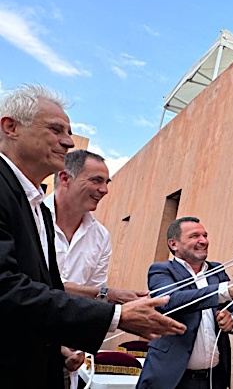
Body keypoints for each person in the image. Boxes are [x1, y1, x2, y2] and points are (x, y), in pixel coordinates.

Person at [0, 84, 186, 388]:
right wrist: (115, 314)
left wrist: (63, 343)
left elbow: (44, 291)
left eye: (70, 132)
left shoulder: (37, 210)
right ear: (11, 127)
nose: (68, 141)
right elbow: (8, 291)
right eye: (56, 129)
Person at [45, 149, 149, 388]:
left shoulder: (101, 236)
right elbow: (33, 286)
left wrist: (76, 347)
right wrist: (109, 296)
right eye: (96, 180)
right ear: (64, 178)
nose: (104, 190)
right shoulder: (30, 216)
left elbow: (91, 301)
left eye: (106, 182)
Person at [137, 217, 233, 389]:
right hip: (171, 379)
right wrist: (223, 291)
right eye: (194, 236)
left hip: (212, 379)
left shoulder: (217, 271)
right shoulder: (161, 270)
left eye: (205, 235)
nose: (203, 241)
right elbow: (170, 300)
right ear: (174, 244)